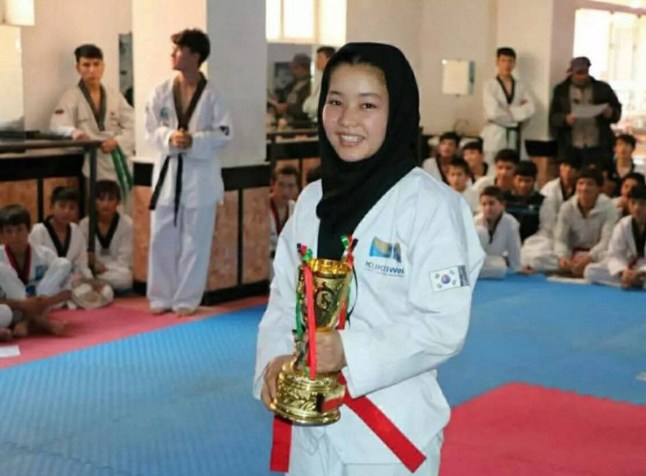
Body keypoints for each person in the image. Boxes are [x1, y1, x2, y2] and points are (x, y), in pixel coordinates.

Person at [254, 42, 484, 476]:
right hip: (308, 428)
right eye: (335, 102)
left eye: (367, 105)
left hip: (388, 437)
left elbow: (443, 326)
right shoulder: (311, 201)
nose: (347, 119)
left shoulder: (431, 207)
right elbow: (283, 300)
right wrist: (276, 361)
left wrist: (347, 350)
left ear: (397, 113)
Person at [145, 29, 232, 316]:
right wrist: (170, 136)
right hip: (169, 173)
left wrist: (195, 140)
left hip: (199, 175)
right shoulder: (161, 91)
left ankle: (186, 300)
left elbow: (224, 133)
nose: (173, 54)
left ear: (195, 55)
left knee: (196, 241)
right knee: (161, 237)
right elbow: (150, 129)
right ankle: (160, 297)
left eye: (178, 50)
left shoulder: (213, 94)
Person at [50, 44, 135, 193]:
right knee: (97, 203)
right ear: (78, 68)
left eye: (96, 64)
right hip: (94, 163)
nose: (92, 70)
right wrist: (75, 133)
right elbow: (57, 125)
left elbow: (135, 125)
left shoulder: (115, 95)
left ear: (103, 66)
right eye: (86, 65)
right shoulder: (71, 97)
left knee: (123, 205)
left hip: (120, 161)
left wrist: (118, 141)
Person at [29, 186, 113, 308]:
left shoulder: (76, 231)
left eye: (72, 208)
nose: (66, 211)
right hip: (46, 283)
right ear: (52, 206)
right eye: (62, 206)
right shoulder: (38, 231)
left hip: (72, 283)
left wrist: (90, 281)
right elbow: (34, 267)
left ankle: (69, 298)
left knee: (107, 291)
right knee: (60, 295)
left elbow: (81, 265)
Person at [0, 204, 72, 337]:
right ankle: (40, 323)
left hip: (41, 305)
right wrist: (22, 303)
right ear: (2, 234)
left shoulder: (45, 255)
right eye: (9, 231)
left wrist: (42, 301)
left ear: (29, 229)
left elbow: (67, 293)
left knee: (64, 263)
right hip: (13, 309)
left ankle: (27, 322)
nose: (15, 236)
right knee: (4, 313)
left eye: (19, 229)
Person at [549, 56, 622, 168]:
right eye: (579, 73)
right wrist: (565, 119)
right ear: (571, 72)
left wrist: (611, 113)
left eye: (585, 72)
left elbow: (617, 111)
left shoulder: (602, 88)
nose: (582, 76)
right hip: (571, 145)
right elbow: (553, 117)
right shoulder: (561, 90)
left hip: (597, 144)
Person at [551, 167, 618, 277]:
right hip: (572, 254)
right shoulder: (567, 207)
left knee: (612, 260)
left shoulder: (609, 208)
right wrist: (563, 257)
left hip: (597, 256)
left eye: (590, 184)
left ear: (599, 188)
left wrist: (589, 258)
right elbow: (560, 239)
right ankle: (571, 268)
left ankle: (585, 270)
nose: (584, 188)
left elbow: (607, 240)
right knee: (539, 257)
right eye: (580, 183)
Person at [521, 154, 582, 271]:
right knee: (531, 250)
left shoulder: (582, 189)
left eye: (572, 167)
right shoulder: (550, 188)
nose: (568, 170)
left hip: (574, 235)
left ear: (578, 171)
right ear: (560, 167)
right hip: (551, 235)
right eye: (564, 166)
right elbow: (547, 223)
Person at [480, 47, 535, 166]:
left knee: (515, 166)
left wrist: (507, 111)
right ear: (497, 62)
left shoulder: (521, 86)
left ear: (514, 63)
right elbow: (493, 113)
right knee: (492, 167)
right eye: (503, 60)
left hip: (515, 134)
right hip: (495, 133)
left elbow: (530, 109)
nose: (507, 65)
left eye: (510, 61)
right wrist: (518, 113)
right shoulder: (489, 86)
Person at [584, 184, 646, 289]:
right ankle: (632, 281)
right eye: (633, 203)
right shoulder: (623, 224)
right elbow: (615, 254)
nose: (637, 208)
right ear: (628, 204)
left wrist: (639, 273)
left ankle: (638, 282)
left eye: (642, 204)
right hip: (630, 268)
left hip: (643, 271)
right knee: (590, 270)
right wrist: (623, 271)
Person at [79, 180, 134, 291]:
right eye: (101, 199)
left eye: (110, 199)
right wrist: (91, 264)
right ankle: (98, 285)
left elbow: (125, 261)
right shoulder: (85, 224)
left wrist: (104, 268)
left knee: (126, 277)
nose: (105, 204)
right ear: (94, 202)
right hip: (91, 270)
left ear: (118, 202)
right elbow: (81, 256)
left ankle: (95, 285)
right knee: (78, 273)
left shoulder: (127, 223)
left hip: (114, 271)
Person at [475, 186, 522, 279]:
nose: (488, 208)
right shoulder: (476, 221)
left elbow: (514, 247)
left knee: (501, 268)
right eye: (484, 204)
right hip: (473, 259)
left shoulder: (511, 223)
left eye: (491, 203)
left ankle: (471, 273)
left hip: (490, 260)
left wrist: (517, 267)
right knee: (481, 232)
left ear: (502, 205)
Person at [503, 160, 544, 242]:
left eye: (527, 181)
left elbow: (544, 229)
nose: (523, 185)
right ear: (514, 179)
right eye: (520, 180)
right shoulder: (503, 198)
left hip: (533, 244)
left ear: (534, 180)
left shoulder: (542, 201)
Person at [269, 165, 299, 262]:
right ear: (272, 185)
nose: (285, 191)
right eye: (281, 185)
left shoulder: (296, 209)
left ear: (296, 188)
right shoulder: (262, 209)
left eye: (290, 186)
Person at [275, 53, 312, 128]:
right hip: (286, 124)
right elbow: (283, 99)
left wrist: (288, 108)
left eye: (295, 68)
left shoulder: (312, 86)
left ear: (302, 68)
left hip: (302, 126)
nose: (292, 70)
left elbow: (308, 109)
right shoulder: (290, 85)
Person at [303, 46, 336, 122]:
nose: (316, 61)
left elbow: (317, 106)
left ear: (330, 59)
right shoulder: (322, 78)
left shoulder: (334, 79)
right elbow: (307, 106)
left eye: (320, 57)